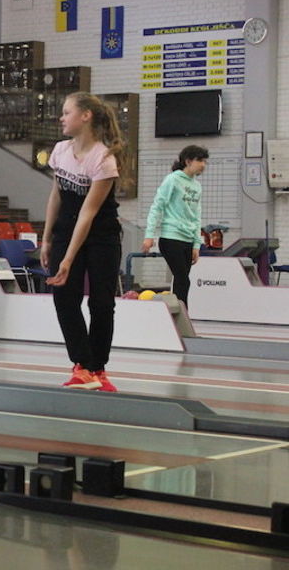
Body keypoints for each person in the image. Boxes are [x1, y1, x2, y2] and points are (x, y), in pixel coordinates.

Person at [40, 92, 129, 393]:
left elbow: (88, 213)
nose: (61, 118)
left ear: (85, 116)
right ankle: (82, 365)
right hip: (66, 230)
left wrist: (68, 259)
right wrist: (47, 239)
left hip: (101, 235)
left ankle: (98, 369)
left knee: (101, 303)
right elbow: (56, 196)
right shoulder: (60, 151)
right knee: (64, 297)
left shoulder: (103, 158)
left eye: (67, 112)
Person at [142, 145, 208, 308]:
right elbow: (157, 206)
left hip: (187, 239)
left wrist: (196, 244)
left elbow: (196, 216)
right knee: (183, 280)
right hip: (171, 238)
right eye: (200, 160)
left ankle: (177, 315)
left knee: (182, 282)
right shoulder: (173, 180)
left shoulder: (197, 186)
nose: (203, 165)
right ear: (188, 161)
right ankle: (182, 315)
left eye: (205, 161)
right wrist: (149, 235)